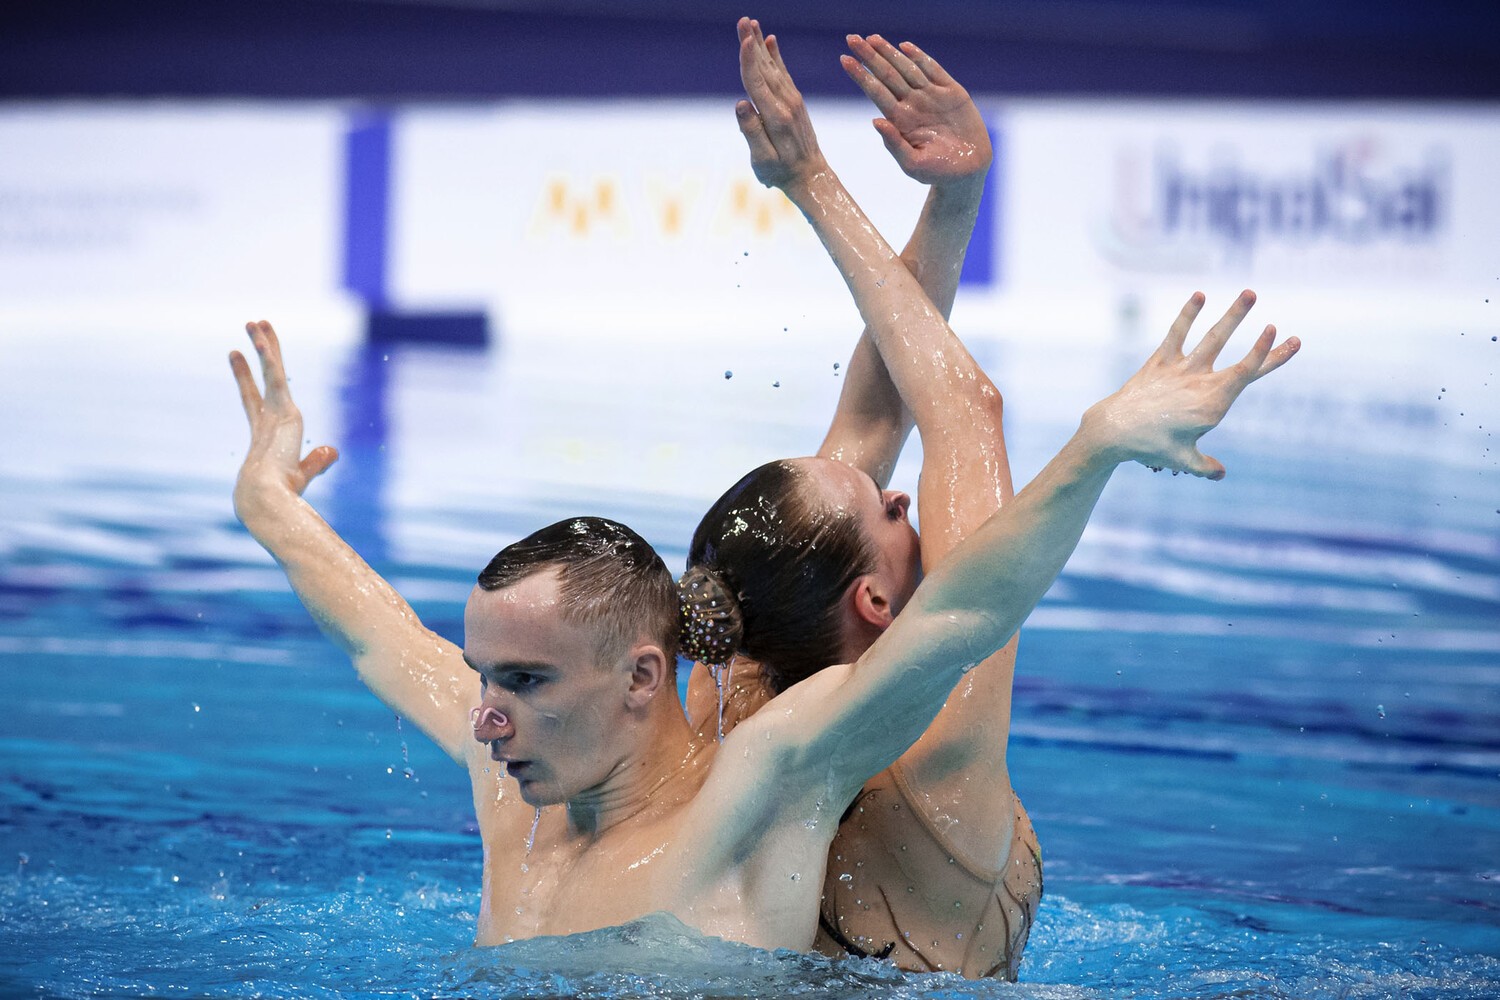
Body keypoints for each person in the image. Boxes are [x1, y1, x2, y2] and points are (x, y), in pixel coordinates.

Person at [226, 18, 1297, 960]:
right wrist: (269, 505)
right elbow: (385, 641)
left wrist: (1095, 441)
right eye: (495, 679)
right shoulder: (697, 745)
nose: (488, 714)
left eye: (522, 681)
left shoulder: (756, 743)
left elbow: (942, 518)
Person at [680, 19, 1300, 978]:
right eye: (886, 509)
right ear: (873, 602)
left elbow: (880, 404)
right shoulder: (942, 724)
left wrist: (950, 198)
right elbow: (962, 409)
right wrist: (810, 178)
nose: (900, 498)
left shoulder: (732, 689)